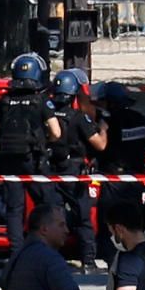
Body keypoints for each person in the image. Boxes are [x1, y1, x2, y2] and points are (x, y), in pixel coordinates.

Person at [0, 53, 62, 256]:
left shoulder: (5, 100)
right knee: (47, 204)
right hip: (34, 160)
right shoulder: (41, 101)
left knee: (14, 208)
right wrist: (45, 142)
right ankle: (44, 248)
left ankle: (16, 253)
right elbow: (56, 132)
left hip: (9, 161)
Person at [91, 81, 145, 263]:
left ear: (109, 102)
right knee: (134, 222)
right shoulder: (139, 118)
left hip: (115, 181)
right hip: (136, 179)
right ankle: (136, 256)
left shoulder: (108, 121)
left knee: (108, 222)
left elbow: (101, 144)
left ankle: (111, 259)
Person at [49, 69, 107, 273]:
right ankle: (88, 262)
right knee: (83, 217)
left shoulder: (46, 115)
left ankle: (54, 259)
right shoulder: (78, 118)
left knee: (54, 216)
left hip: (51, 170)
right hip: (74, 171)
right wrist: (104, 128)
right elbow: (99, 145)